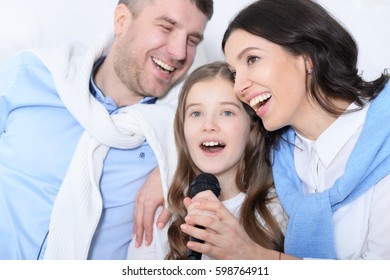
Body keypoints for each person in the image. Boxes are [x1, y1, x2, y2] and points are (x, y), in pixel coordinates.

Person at [0, 0, 213, 260]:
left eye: (192, 40)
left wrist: (178, 168)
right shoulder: (28, 75)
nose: (180, 52)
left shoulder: (180, 133)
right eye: (167, 27)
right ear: (122, 21)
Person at [181, 0, 390, 260]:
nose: (239, 87)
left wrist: (252, 256)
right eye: (235, 73)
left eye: (252, 59)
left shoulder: (384, 143)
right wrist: (165, 168)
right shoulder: (281, 153)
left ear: (307, 57)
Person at [127, 61, 287, 259]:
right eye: (196, 113)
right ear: (182, 128)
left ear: (252, 126)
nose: (208, 125)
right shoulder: (162, 216)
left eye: (226, 112)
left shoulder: (275, 213)